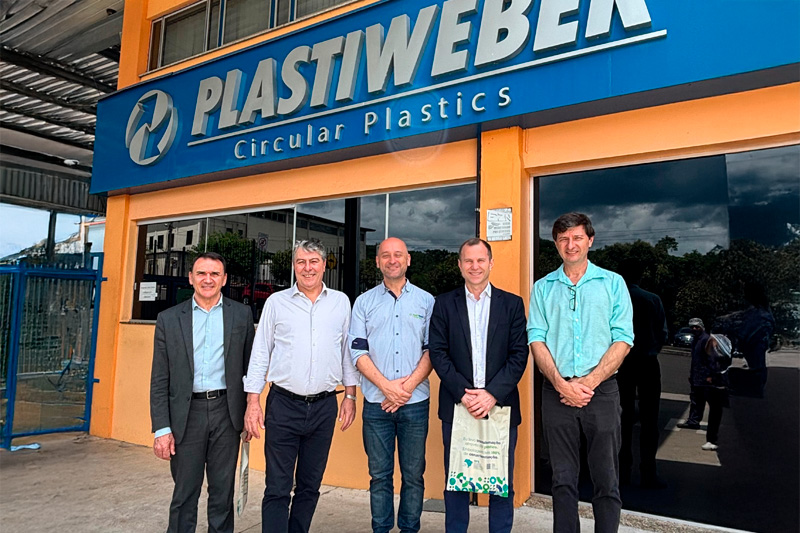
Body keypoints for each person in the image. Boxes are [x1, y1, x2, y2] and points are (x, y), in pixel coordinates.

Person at [243, 239, 359, 533]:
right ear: (294, 266)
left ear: (324, 265)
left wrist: (350, 396)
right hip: (283, 405)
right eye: (301, 262)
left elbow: (346, 353)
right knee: (277, 487)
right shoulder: (276, 303)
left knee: (310, 485)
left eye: (313, 262)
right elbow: (260, 353)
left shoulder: (340, 303)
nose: (308, 268)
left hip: (323, 407)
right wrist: (253, 402)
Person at [527, 212, 634, 533]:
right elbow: (536, 338)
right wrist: (561, 384)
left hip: (601, 392)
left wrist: (589, 381)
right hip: (555, 392)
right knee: (562, 480)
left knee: (606, 478)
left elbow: (623, 338)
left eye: (576, 238)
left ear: (590, 240)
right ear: (556, 244)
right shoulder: (543, 288)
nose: (570, 245)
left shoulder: (612, 283)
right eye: (563, 239)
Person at [150, 251, 255, 533]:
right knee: (185, 493)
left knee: (222, 493)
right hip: (186, 416)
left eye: (214, 274)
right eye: (201, 273)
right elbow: (159, 378)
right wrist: (162, 428)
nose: (208, 279)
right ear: (190, 278)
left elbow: (250, 370)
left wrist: (250, 411)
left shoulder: (241, 315)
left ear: (224, 279)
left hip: (226, 413)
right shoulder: (169, 319)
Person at [429, 238, 529, 533]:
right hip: (457, 407)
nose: (475, 266)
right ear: (460, 265)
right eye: (468, 261)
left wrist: (491, 394)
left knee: (500, 484)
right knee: (456, 483)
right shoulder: (443, 303)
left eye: (480, 260)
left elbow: (519, 354)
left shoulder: (511, 304)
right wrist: (465, 395)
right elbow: (438, 352)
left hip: (500, 408)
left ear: (491, 263)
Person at [349, 237, 435, 533]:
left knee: (414, 476)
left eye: (398, 254)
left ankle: (410, 529)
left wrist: (405, 388)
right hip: (377, 405)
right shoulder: (363, 303)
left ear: (408, 260)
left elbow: (432, 350)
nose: (392, 260)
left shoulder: (426, 301)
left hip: (415, 404)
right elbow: (357, 351)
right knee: (379, 476)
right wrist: (386, 387)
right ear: (377, 262)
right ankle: (382, 529)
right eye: (386, 255)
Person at [617, 259, 669, 489]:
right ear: (640, 276)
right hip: (647, 361)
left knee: (622, 418)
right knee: (650, 420)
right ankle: (648, 472)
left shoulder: (615, 299)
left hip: (622, 362)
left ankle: (622, 472)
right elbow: (663, 333)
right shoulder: (651, 299)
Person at [677, 319, 730, 450]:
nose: (694, 329)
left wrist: (710, 375)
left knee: (710, 403)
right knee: (696, 399)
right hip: (697, 375)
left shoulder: (707, 339)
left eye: (696, 327)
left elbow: (712, 359)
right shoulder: (696, 340)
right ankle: (693, 421)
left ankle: (707, 430)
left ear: (702, 327)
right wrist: (692, 374)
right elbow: (695, 360)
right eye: (692, 327)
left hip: (705, 377)